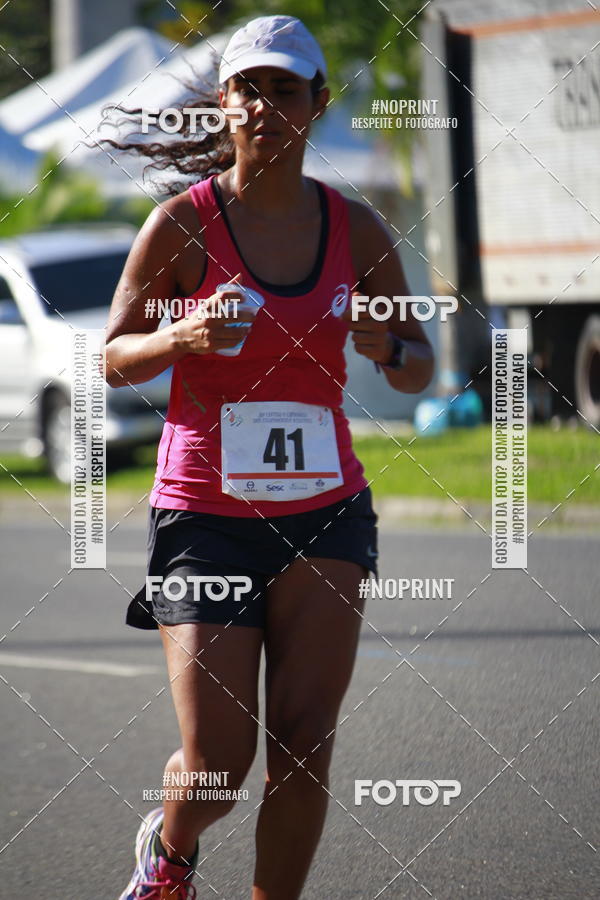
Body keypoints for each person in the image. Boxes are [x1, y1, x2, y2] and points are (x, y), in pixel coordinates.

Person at [104, 14, 434, 900]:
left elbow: (419, 362)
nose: (264, 105)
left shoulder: (357, 232)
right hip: (205, 515)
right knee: (220, 761)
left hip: (325, 509)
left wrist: (388, 348)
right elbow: (111, 354)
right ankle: (170, 854)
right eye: (248, 88)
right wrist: (184, 334)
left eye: (284, 88)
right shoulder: (183, 224)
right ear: (225, 103)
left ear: (318, 104)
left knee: (303, 742)